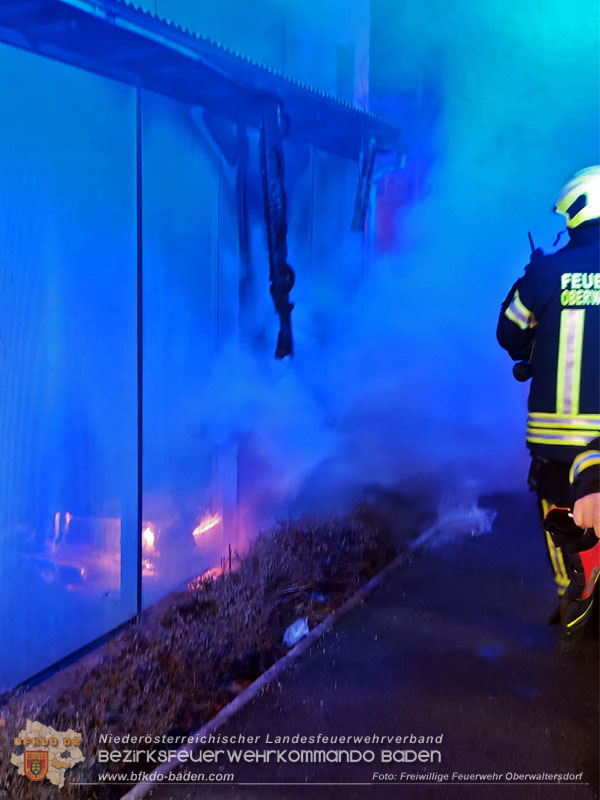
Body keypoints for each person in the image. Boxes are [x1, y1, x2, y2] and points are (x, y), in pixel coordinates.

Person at [497, 166, 600, 650]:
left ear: (577, 210)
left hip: (559, 437)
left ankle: (572, 596)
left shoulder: (546, 271)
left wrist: (533, 283)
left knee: (560, 515)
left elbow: (509, 332)